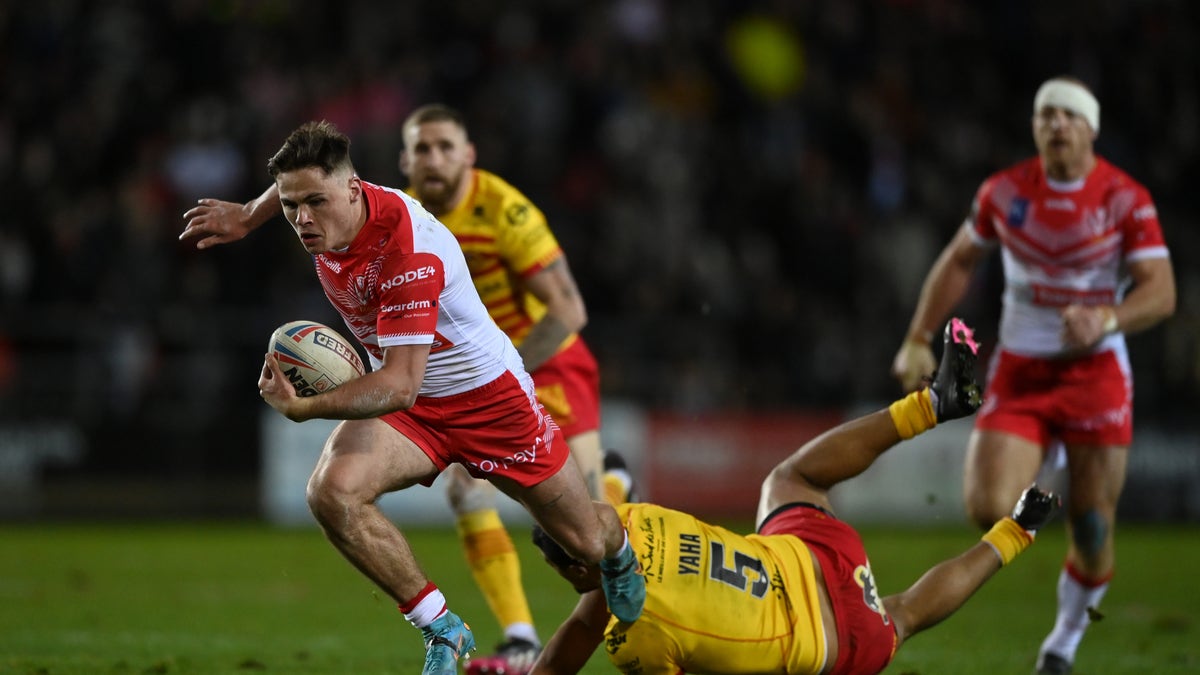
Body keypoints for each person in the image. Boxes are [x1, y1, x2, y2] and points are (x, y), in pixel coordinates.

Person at [181, 120, 646, 675]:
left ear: (353, 193)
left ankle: (621, 556)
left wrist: (304, 409)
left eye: (313, 204)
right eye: (290, 206)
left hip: (489, 403)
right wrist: (249, 214)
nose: (302, 219)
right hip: (417, 410)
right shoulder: (327, 207)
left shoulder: (408, 254)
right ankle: (442, 629)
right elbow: (300, 189)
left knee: (586, 542)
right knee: (332, 493)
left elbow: (399, 385)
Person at [527, 318, 1061, 675]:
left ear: (576, 573)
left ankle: (1018, 529)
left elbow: (587, 622)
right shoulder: (631, 516)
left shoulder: (634, 640)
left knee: (903, 616)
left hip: (831, 642)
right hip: (809, 555)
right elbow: (585, 605)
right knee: (790, 479)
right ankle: (930, 405)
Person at [890, 76, 1176, 675]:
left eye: (1069, 115)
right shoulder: (1004, 192)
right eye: (1046, 114)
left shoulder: (1125, 198)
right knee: (989, 505)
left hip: (1095, 374)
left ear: (1091, 129)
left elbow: (1163, 292)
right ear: (1035, 127)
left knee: (1094, 528)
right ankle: (1048, 461)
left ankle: (1063, 644)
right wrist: (918, 336)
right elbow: (958, 259)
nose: (1057, 124)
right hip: (1022, 372)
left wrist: (1108, 317)